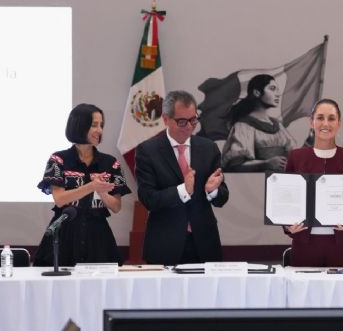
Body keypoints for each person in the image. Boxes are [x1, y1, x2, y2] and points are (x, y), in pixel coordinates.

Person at [136, 90, 229, 265]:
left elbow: (222, 197)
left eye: (193, 120)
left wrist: (213, 191)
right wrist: (182, 191)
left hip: (204, 243)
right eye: (182, 122)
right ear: (166, 119)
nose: (189, 127)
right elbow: (148, 199)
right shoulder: (147, 151)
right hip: (164, 244)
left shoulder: (209, 148)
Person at [33, 104, 130, 266]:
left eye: (101, 125)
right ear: (79, 125)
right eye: (94, 125)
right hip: (65, 235)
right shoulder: (58, 160)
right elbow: (60, 200)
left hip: (98, 237)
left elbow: (116, 206)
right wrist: (91, 186)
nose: (99, 130)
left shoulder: (110, 163)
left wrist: (102, 192)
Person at [282, 99, 343, 267]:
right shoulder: (296, 157)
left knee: (341, 285)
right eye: (320, 118)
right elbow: (286, 200)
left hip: (340, 245)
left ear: (339, 123)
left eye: (331, 118)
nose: (325, 124)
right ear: (311, 122)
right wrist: (287, 225)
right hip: (304, 245)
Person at [221, 74, 296, 172]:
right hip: (256, 180)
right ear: (257, 92)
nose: (278, 94)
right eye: (272, 89)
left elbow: (293, 155)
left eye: (277, 90)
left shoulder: (277, 125)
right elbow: (235, 165)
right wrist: (266, 164)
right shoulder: (243, 126)